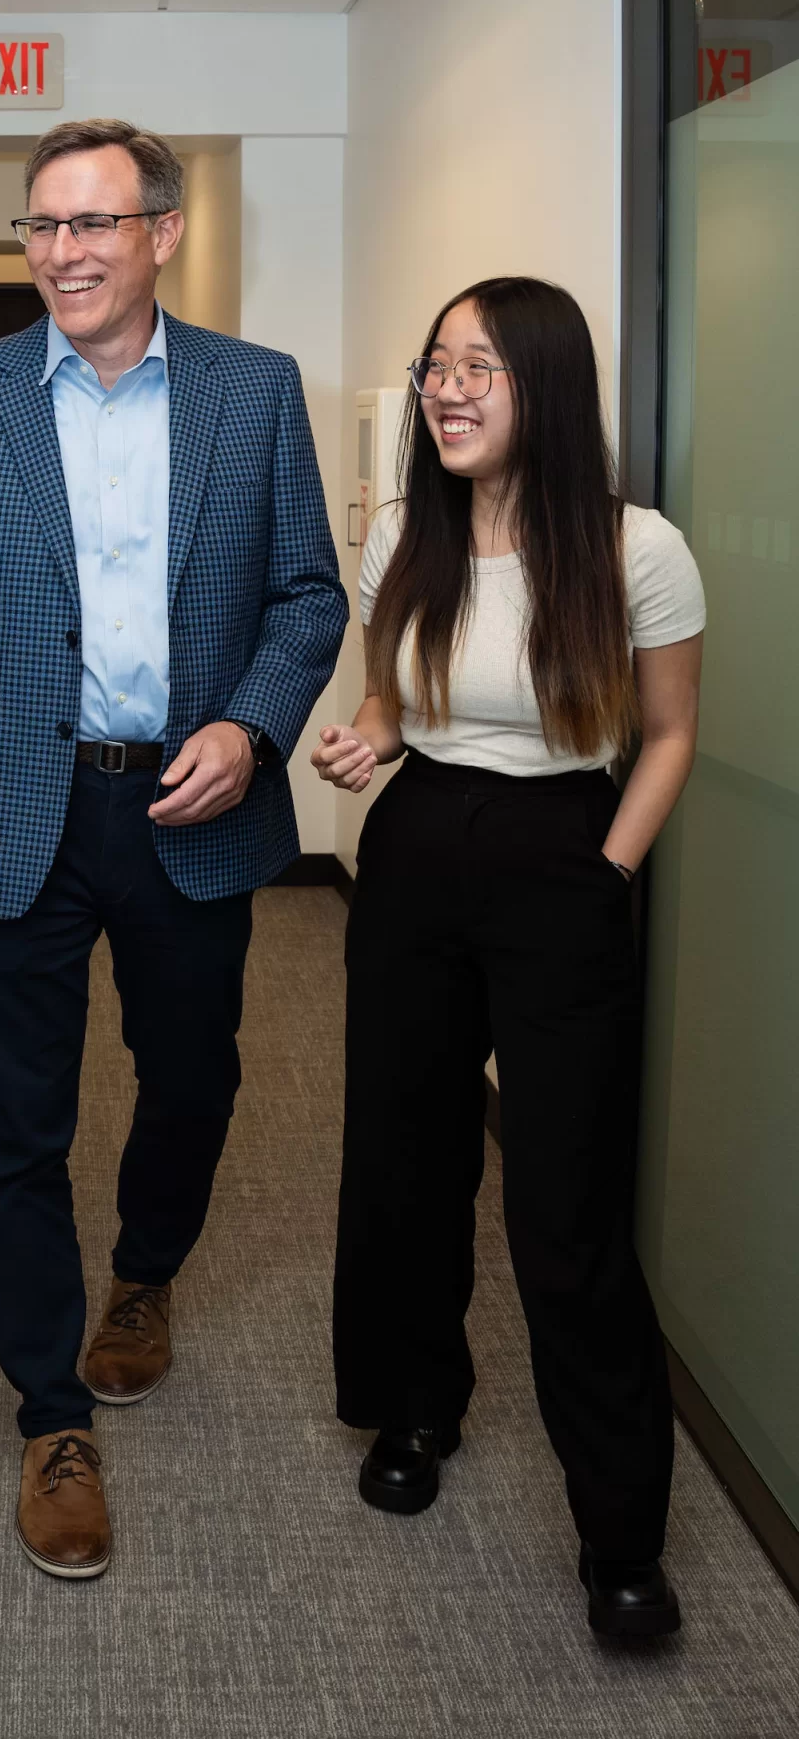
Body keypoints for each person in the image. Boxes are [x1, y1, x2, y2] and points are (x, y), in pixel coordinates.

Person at [0, 118, 347, 1580]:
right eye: (41, 226)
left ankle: (142, 1272)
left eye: (93, 223)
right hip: (16, 808)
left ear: (161, 234)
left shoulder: (255, 396)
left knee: (192, 1073)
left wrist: (254, 728)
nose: (64, 251)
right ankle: (49, 1410)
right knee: (16, 1122)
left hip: (190, 807)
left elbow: (306, 596)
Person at [314, 276, 704, 1638]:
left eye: (477, 364)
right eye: (433, 364)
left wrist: (605, 871)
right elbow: (386, 686)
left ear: (546, 381)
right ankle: (415, 1407)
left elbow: (665, 736)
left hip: (562, 855)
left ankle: (620, 1536)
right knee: (403, 1157)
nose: (445, 387)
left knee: (564, 1203)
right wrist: (373, 734)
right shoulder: (401, 536)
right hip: (417, 847)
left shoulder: (632, 547)